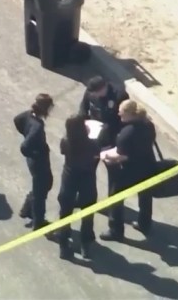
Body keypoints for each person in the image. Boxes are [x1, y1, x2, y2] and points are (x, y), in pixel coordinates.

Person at [100, 100, 158, 241]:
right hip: (148, 165)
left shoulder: (127, 132)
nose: (119, 114)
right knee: (145, 195)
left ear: (131, 114)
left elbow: (122, 156)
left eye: (122, 113)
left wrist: (105, 156)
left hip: (131, 170)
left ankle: (116, 230)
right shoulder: (148, 125)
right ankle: (144, 223)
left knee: (116, 197)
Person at [56, 115, 101, 260]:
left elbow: (63, 152)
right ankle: (85, 245)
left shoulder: (66, 141)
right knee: (87, 213)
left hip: (69, 177)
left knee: (65, 212)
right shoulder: (92, 144)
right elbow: (96, 157)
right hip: (87, 178)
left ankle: (63, 245)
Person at [78, 75, 129, 197]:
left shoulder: (119, 96)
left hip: (110, 141)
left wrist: (108, 131)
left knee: (114, 175)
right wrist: (83, 124)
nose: (94, 96)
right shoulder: (90, 93)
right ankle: (86, 198)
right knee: (86, 170)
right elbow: (83, 109)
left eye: (96, 93)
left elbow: (123, 120)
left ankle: (113, 206)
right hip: (93, 138)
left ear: (103, 88)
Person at [14, 94, 54, 231]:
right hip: (38, 160)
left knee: (44, 185)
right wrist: (34, 152)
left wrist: (25, 133)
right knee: (41, 191)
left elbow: (17, 120)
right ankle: (38, 221)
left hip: (34, 159)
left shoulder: (27, 115)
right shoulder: (37, 126)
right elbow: (25, 147)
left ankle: (27, 209)